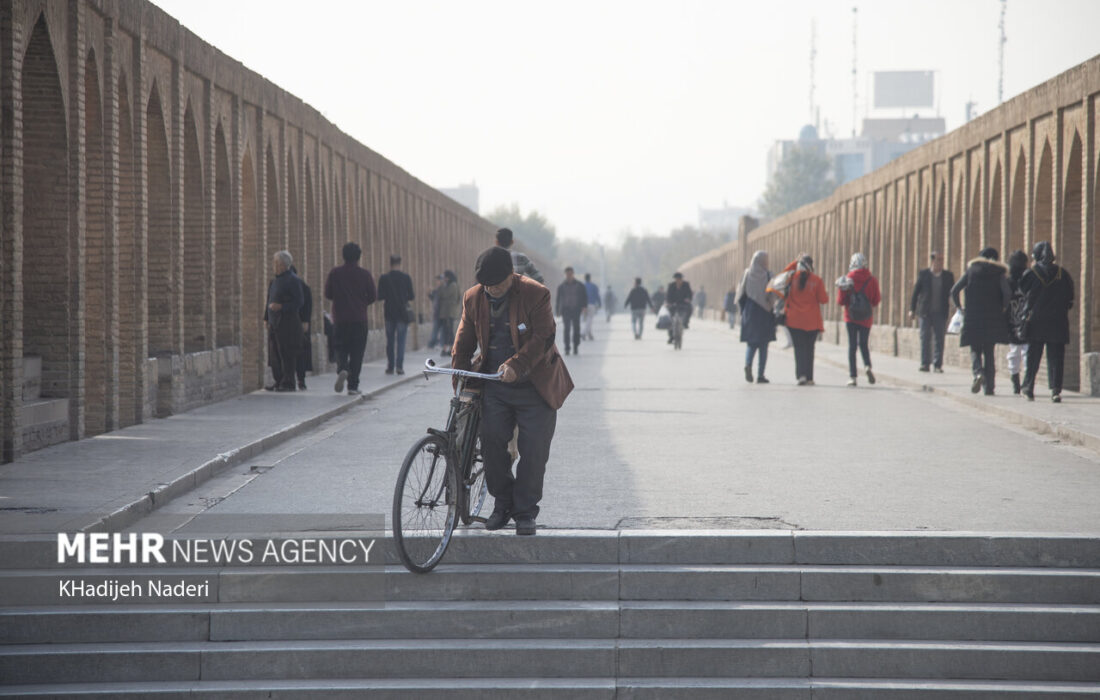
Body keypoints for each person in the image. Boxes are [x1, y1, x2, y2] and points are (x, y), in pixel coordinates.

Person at [452, 247, 574, 536]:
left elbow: (544, 336)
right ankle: (502, 504)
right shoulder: (473, 298)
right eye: (487, 285)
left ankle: (525, 512)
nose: (492, 290)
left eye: (498, 284)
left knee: (533, 453)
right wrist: (459, 379)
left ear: (512, 276)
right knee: (493, 447)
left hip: (536, 386)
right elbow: (463, 341)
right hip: (495, 386)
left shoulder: (535, 294)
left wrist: (517, 365)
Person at [951, 247, 1011, 396]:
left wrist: (960, 307)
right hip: (992, 317)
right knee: (989, 352)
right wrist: (1003, 307)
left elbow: (954, 290)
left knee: (975, 349)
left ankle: (978, 373)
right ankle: (989, 388)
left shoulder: (971, 271)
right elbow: (1007, 293)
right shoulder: (999, 273)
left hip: (973, 316)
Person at [1019, 241, 1075, 403]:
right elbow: (1070, 300)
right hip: (1058, 322)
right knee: (1056, 358)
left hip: (1036, 322)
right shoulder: (1063, 274)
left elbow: (1023, 292)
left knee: (1033, 357)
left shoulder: (1032, 273)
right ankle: (1056, 391)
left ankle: (1028, 388)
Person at [325, 242, 376, 395]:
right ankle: (353, 386)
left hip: (340, 319)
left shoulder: (335, 273)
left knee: (341, 348)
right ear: (359, 257)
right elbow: (373, 296)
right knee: (357, 353)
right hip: (359, 319)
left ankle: (342, 369)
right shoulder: (365, 274)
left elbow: (328, 294)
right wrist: (361, 303)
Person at [836, 252, 882, 387]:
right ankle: (867, 366)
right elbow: (876, 300)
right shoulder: (872, 280)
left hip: (850, 317)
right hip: (866, 318)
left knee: (852, 346)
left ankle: (853, 376)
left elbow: (841, 301)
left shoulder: (847, 278)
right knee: (863, 344)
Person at [782, 254, 828, 385]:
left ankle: (801, 375)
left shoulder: (791, 278)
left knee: (799, 349)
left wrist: (794, 261)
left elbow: (782, 275)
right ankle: (809, 377)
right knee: (809, 349)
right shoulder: (817, 280)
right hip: (812, 322)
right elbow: (824, 300)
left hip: (794, 321)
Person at [909, 251, 955, 373]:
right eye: (938, 259)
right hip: (925, 312)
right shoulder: (924, 274)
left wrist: (955, 307)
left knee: (939, 338)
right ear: (932, 260)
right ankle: (925, 364)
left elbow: (953, 293)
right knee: (925, 337)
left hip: (940, 312)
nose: (940, 262)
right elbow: (916, 292)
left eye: (942, 260)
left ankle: (938, 365)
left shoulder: (948, 276)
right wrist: (912, 309)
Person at [265, 251, 304, 392]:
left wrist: (282, 307)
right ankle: (279, 380)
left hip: (287, 323)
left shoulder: (293, 280)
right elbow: (269, 300)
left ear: (284, 265)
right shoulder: (275, 281)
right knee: (274, 354)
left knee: (286, 353)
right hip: (274, 322)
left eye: (278, 263)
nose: (275, 266)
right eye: (274, 263)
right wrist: (266, 318)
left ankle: (288, 382)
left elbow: (299, 301)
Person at [737, 251, 777, 384]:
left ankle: (748, 364)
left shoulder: (747, 273)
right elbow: (773, 294)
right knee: (764, 345)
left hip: (750, 310)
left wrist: (743, 311)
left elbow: (741, 294)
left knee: (752, 343)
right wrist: (771, 306)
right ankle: (761, 375)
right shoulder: (769, 275)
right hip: (764, 312)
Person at [376, 254, 415, 375]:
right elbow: (412, 296)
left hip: (389, 313)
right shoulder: (406, 277)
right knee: (401, 341)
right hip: (402, 314)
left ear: (390, 263)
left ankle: (390, 366)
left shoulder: (384, 278)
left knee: (390, 341)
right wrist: (403, 297)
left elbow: (380, 296)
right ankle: (399, 366)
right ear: (400, 263)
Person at [1005, 250, 1030, 395]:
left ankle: (1017, 384)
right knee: (1026, 353)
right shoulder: (1029, 279)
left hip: (1012, 321)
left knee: (1014, 353)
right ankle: (1025, 383)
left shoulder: (1008, 281)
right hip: (1025, 320)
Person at [555, 267, 587, 355]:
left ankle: (576, 346)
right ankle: (567, 348)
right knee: (567, 329)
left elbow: (584, 297)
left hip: (576, 309)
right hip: (566, 310)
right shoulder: (561, 286)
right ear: (565, 275)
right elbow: (558, 299)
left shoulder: (580, 285)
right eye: (567, 274)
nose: (569, 276)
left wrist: (584, 307)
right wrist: (557, 311)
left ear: (573, 274)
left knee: (576, 328)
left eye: (570, 274)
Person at [292, 266, 313, 391]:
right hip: (294, 324)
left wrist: (305, 320)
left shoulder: (303, 287)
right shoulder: (277, 283)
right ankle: (298, 380)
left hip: (297, 325)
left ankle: (300, 379)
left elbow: (307, 305)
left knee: (299, 352)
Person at [665, 272, 693, 344]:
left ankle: (686, 323)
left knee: (689, 309)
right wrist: (668, 302)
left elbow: (690, 294)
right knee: (671, 321)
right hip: (673, 304)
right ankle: (671, 337)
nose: (678, 280)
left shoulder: (686, 285)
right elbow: (668, 295)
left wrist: (688, 299)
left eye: (679, 279)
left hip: (683, 304)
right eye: (677, 279)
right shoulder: (671, 285)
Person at [438, 269, 461, 356]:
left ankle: (451, 348)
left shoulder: (452, 285)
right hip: (446, 312)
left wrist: (441, 287)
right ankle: (447, 348)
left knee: (449, 331)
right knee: (446, 331)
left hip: (449, 312)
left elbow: (445, 295)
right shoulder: (449, 285)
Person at [427, 274, 445, 350]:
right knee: (436, 329)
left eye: (439, 280)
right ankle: (433, 343)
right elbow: (433, 299)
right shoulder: (437, 290)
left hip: (442, 313)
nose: (438, 282)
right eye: (437, 280)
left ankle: (438, 343)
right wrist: (429, 293)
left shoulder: (443, 289)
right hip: (437, 313)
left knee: (441, 330)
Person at [582, 273, 601, 341]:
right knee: (589, 319)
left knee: (587, 319)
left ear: (585, 278)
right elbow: (597, 295)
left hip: (583, 305)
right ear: (590, 278)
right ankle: (584, 333)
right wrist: (599, 303)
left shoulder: (582, 286)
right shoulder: (594, 286)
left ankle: (590, 334)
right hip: (591, 304)